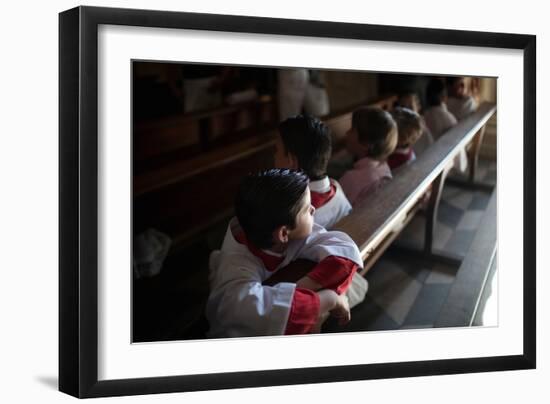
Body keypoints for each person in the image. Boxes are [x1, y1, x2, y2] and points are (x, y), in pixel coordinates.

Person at [206, 169, 363, 338]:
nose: (313, 209)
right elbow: (251, 311)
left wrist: (299, 288)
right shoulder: (236, 265)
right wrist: (329, 300)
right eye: (306, 209)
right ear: (283, 233)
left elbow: (344, 251)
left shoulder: (283, 232)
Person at [275, 115, 352, 229]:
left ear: (291, 161)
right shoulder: (335, 186)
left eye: (277, 150)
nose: (274, 156)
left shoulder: (292, 214)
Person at [339, 107, 398, 207]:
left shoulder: (351, 179)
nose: (347, 133)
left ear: (366, 144)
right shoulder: (384, 167)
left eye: (352, 130)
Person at [396, 92, 434, 156]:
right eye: (403, 107)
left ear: (418, 107)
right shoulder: (397, 130)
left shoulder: (423, 132)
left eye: (410, 107)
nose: (406, 111)